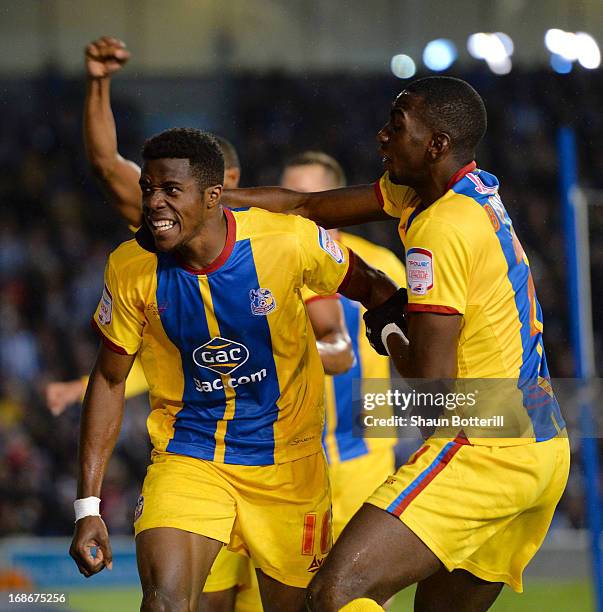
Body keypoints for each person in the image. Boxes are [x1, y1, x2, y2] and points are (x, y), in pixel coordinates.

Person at [222, 76, 570, 611]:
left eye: (397, 125)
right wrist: (214, 201)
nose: (382, 135)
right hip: (542, 446)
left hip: (486, 447)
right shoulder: (465, 191)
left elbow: (433, 390)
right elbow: (306, 206)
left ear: (436, 144)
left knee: (333, 596)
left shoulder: (442, 228)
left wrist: (384, 316)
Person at [68, 128, 404, 612]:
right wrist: (88, 507)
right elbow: (109, 378)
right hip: (190, 458)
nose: (154, 203)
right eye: (148, 190)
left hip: (289, 466)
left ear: (212, 197)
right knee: (165, 603)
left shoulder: (285, 241)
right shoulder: (130, 267)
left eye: (170, 191)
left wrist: (396, 331)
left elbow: (371, 285)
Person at [280, 151, 407, 539]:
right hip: (290, 461)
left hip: (364, 457)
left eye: (303, 194)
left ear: (333, 197)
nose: (291, 204)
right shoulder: (271, 262)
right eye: (286, 193)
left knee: (364, 585)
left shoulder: (378, 264)